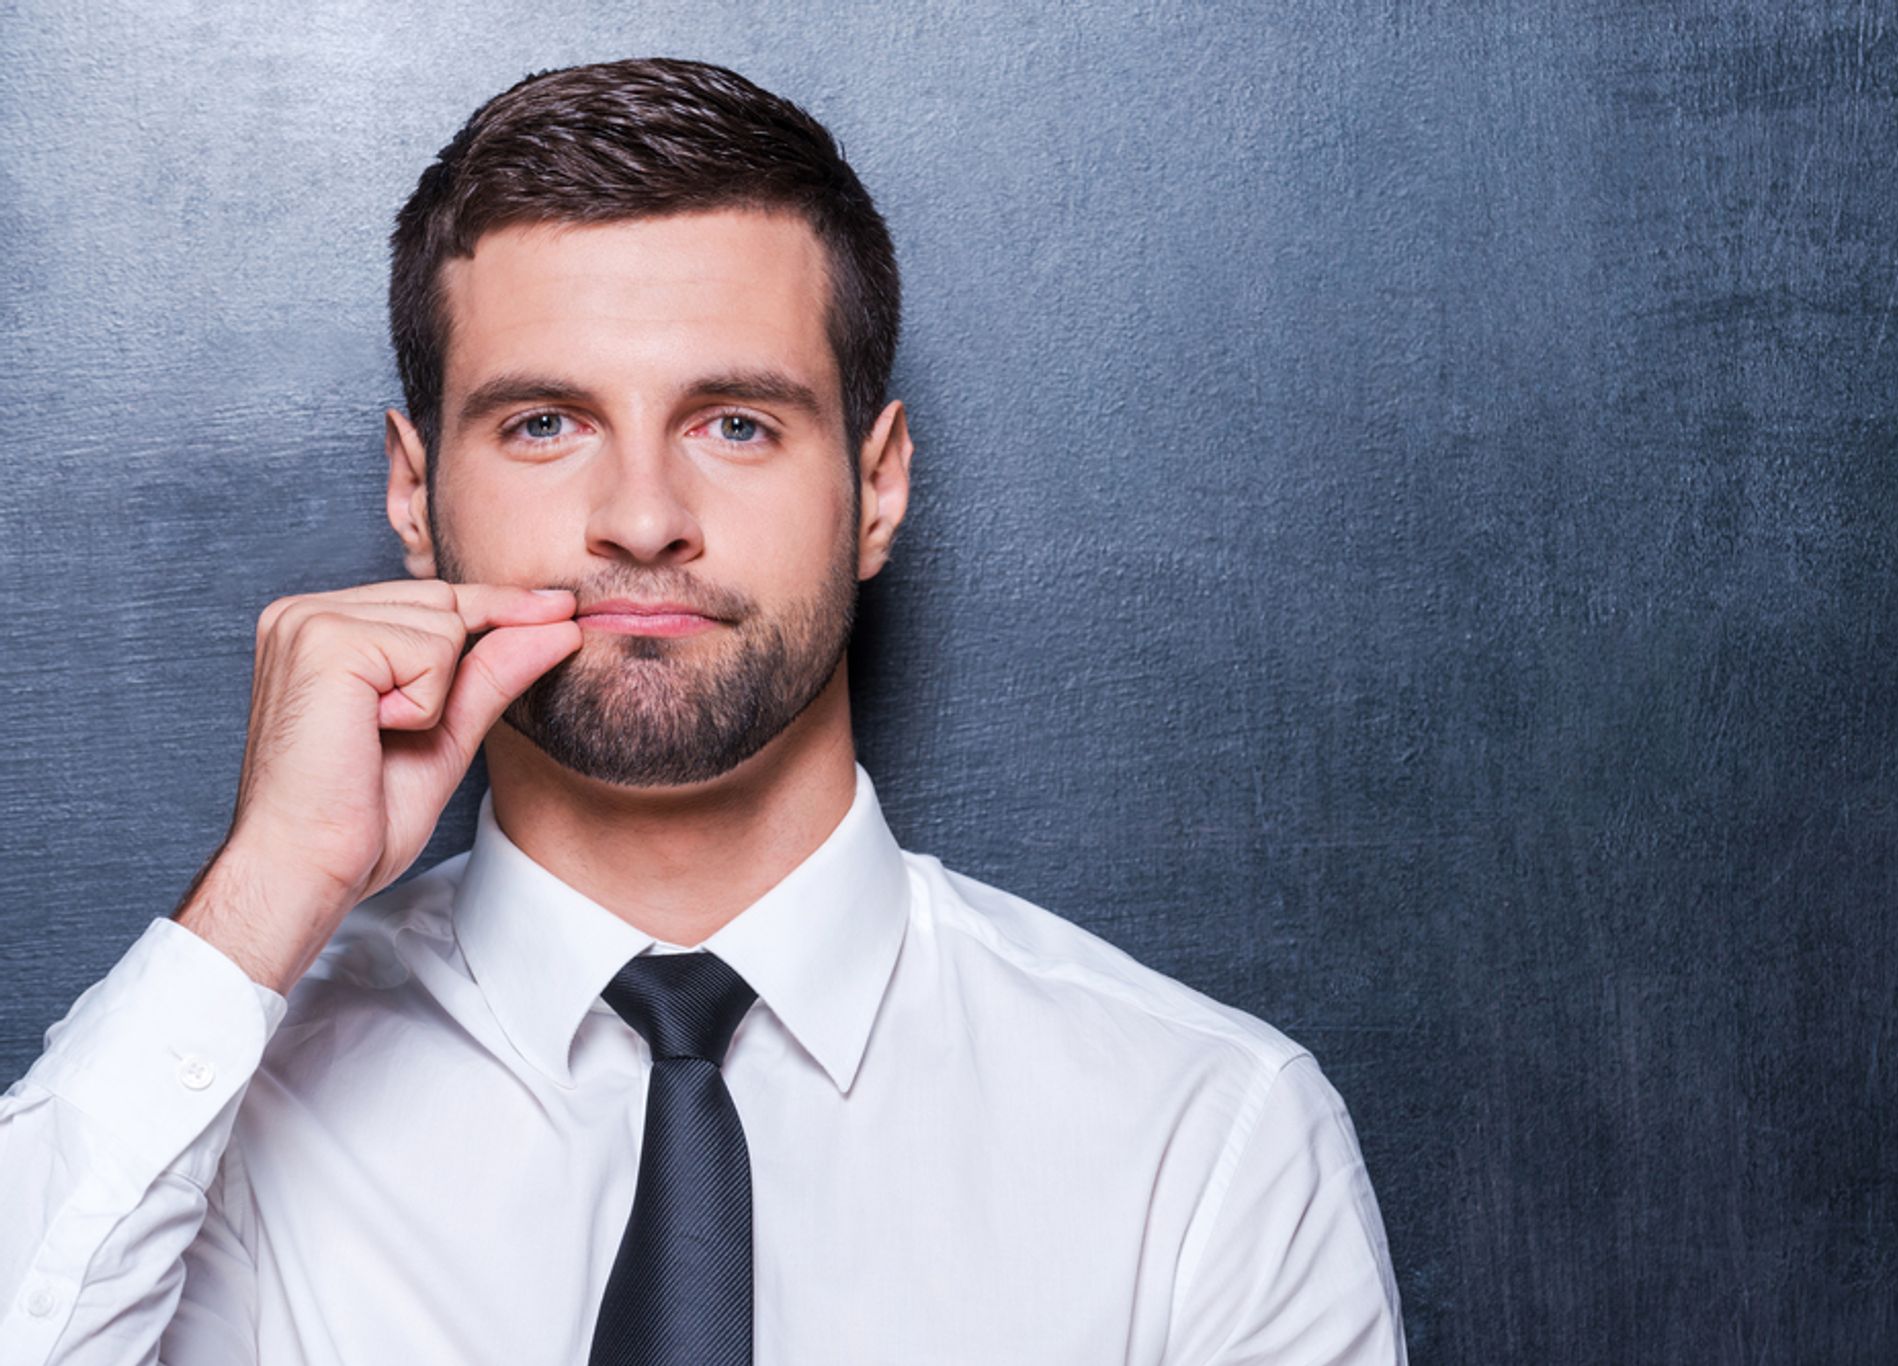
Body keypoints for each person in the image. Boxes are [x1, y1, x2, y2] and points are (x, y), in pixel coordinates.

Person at [0, 57, 1404, 1365]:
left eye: (735, 422)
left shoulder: (1203, 1148)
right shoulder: (210, 1124)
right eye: (546, 422)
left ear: (879, 486)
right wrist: (257, 903)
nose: (644, 520)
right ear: (414, 496)